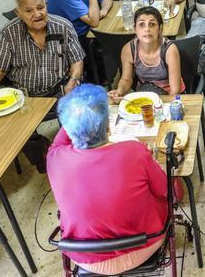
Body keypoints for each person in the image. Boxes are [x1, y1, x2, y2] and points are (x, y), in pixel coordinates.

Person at [47, 84, 181, 275]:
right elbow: (168, 193)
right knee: (172, 188)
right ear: (108, 125)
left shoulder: (54, 158)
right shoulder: (134, 152)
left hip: (85, 256)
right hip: (143, 246)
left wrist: (77, 112)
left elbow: (62, 137)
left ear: (67, 127)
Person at [0, 0, 85, 100]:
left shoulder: (63, 26)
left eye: (40, 8)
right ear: (18, 13)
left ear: (46, 5)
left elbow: (77, 59)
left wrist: (73, 81)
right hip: (23, 95)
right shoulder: (9, 33)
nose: (37, 14)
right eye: (29, 11)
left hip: (60, 90)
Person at [108, 6, 185, 102]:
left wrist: (164, 107)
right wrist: (119, 91)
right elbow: (126, 79)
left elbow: (175, 90)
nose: (147, 29)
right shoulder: (128, 49)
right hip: (145, 94)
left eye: (152, 24)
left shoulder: (169, 50)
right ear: (135, 29)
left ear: (160, 29)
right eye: (141, 24)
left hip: (169, 95)